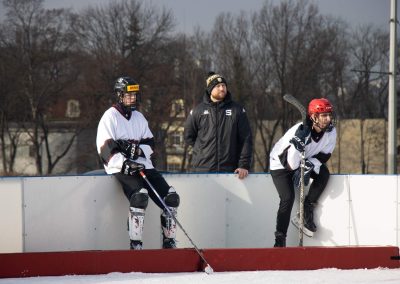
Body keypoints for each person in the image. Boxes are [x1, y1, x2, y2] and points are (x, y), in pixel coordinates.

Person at [96, 76, 180, 250]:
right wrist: (125, 163)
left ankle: (169, 242)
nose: (132, 98)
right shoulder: (109, 117)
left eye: (134, 95)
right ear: (119, 95)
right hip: (121, 167)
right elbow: (104, 148)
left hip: (144, 165)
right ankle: (136, 244)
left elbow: (150, 143)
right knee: (140, 195)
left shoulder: (139, 117)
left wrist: (138, 151)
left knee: (171, 198)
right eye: (128, 95)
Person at [269, 98, 336, 247]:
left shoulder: (331, 132)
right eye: (324, 115)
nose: (328, 119)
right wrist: (298, 146)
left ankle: (306, 211)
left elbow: (325, 155)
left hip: (305, 160)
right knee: (288, 198)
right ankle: (279, 240)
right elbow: (291, 164)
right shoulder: (298, 131)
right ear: (313, 117)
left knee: (324, 174)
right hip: (281, 164)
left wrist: (308, 165)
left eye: (329, 115)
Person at [184, 72, 253, 179]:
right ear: (210, 89)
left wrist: (243, 165)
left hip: (230, 171)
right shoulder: (198, 111)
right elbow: (189, 137)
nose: (222, 88)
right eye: (218, 86)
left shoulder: (237, 110)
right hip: (202, 170)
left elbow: (246, 139)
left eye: (224, 85)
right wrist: (202, 153)